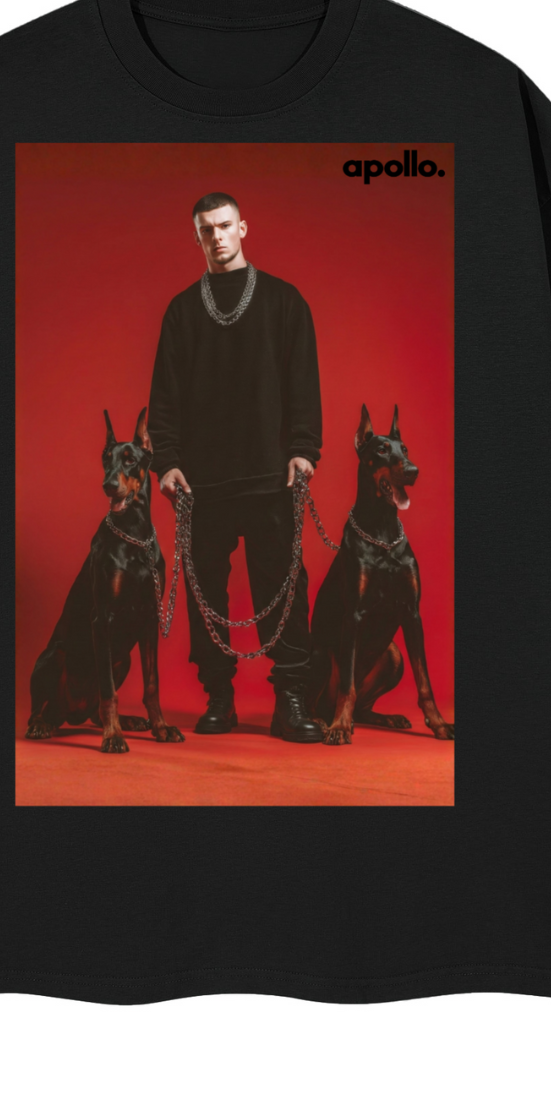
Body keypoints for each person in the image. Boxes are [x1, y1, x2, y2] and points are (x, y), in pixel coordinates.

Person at [148, 193, 325, 743]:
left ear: (243, 228)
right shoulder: (182, 311)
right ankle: (219, 697)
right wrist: (167, 462)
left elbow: (303, 382)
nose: (217, 237)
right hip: (202, 482)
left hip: (272, 474)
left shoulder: (284, 301)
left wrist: (304, 449)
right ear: (196, 236)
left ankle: (290, 699)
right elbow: (165, 397)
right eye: (206, 229)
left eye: (225, 225)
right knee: (205, 591)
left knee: (285, 587)